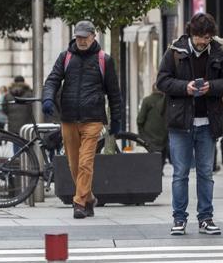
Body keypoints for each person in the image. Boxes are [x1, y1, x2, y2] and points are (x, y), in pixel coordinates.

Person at [156, 12, 223, 236]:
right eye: (200, 37)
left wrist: (211, 86)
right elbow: (162, 81)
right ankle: (179, 219)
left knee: (205, 173)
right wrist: (186, 88)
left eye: (207, 37)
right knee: (180, 172)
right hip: (181, 123)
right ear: (191, 33)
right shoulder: (175, 52)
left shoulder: (219, 52)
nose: (203, 42)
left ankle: (206, 218)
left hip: (208, 122)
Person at [41, 21, 122, 219]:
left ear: (94, 36)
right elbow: (52, 79)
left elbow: (114, 93)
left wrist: (117, 119)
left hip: (93, 118)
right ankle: (89, 198)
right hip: (68, 117)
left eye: (85, 37)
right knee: (74, 164)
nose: (82, 40)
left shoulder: (105, 60)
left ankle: (78, 203)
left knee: (86, 162)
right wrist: (48, 98)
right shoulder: (65, 57)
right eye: (78, 37)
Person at [136, 82, 168, 161]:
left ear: (152, 89)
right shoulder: (167, 101)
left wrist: (142, 134)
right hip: (164, 137)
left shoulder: (147, 100)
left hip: (149, 137)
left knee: (151, 161)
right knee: (161, 160)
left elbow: (140, 120)